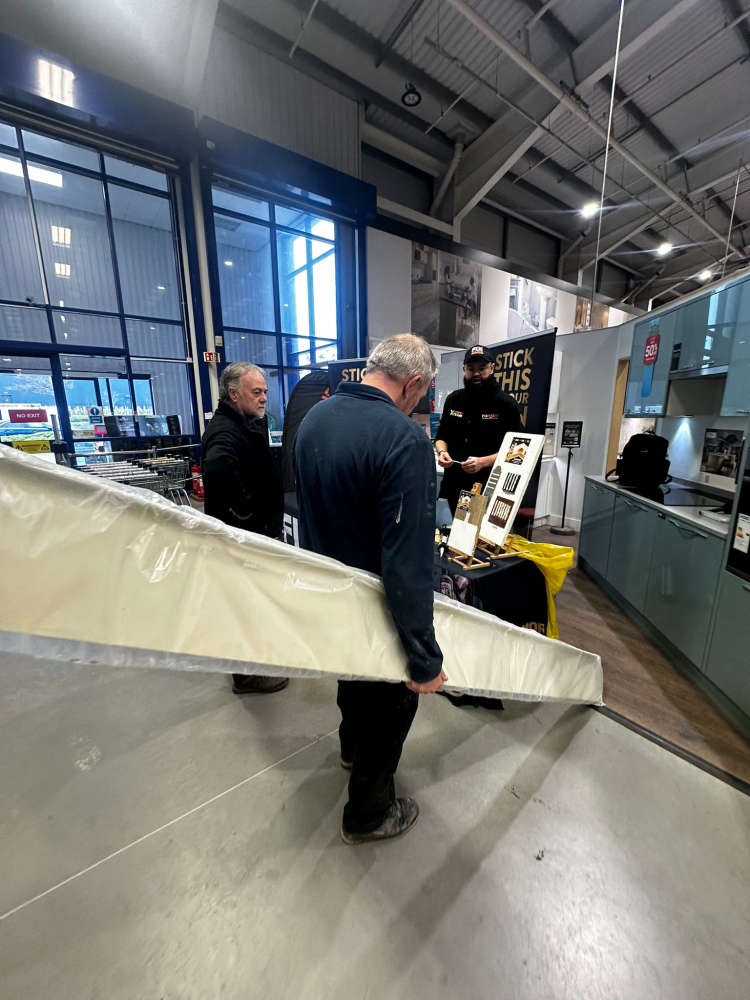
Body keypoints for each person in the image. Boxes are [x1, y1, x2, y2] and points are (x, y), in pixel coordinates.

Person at [295, 334, 447, 845]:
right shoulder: (405, 440)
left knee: (351, 678)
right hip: (378, 604)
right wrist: (424, 657)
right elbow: (407, 563)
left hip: (330, 593)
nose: (420, 402)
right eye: (423, 393)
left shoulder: (314, 420)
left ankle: (349, 750)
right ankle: (369, 812)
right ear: (414, 383)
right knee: (392, 704)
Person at [201, 362, 288, 696]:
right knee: (243, 605)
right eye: (257, 392)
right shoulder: (226, 430)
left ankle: (256, 663)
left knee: (251, 603)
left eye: (265, 391)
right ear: (234, 394)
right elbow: (218, 469)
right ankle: (247, 676)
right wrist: (246, 514)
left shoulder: (244, 423)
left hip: (250, 535)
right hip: (242, 539)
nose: (264, 397)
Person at [434, 345, 522, 515]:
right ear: (464, 370)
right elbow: (441, 437)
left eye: (482, 368)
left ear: (492, 368)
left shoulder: (506, 404)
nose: (476, 373)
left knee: (476, 529)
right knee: (449, 528)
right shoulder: (453, 400)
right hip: (453, 484)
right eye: (471, 369)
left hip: (487, 485)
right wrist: (442, 452)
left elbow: (516, 450)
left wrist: (483, 462)